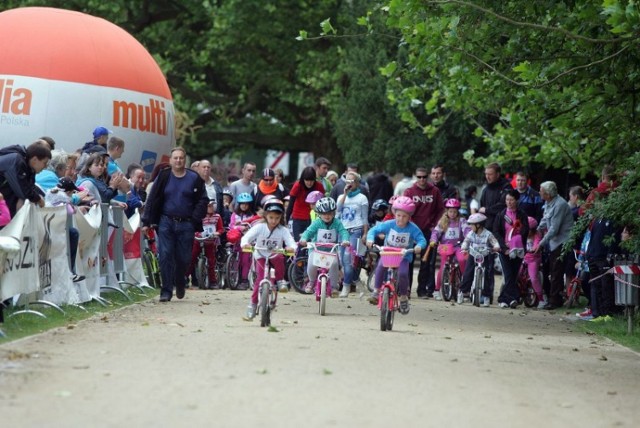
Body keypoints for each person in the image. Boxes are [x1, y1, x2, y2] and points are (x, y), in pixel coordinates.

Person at [141, 147, 209, 302]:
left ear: (185, 160)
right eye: (175, 158)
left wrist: (194, 219)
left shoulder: (194, 177)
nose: (178, 161)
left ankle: (180, 281)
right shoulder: (163, 176)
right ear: (170, 160)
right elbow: (152, 198)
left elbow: (202, 200)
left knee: (184, 258)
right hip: (166, 222)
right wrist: (146, 221)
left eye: (181, 158)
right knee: (165, 255)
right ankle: (166, 290)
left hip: (186, 224)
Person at [366, 196, 426, 314]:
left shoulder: (413, 228)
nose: (401, 219)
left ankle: (403, 297)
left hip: (403, 256)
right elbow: (373, 230)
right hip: (388, 254)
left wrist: (419, 246)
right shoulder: (389, 224)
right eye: (398, 215)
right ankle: (376, 291)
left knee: (403, 273)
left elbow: (422, 239)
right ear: (394, 213)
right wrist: (370, 239)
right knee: (380, 267)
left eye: (404, 216)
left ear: (409, 216)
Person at [241, 199, 296, 320]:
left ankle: (281, 280)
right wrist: (245, 244)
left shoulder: (283, 230)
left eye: (277, 218)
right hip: (260, 255)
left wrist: (291, 248)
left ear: (281, 217)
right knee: (260, 279)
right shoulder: (259, 227)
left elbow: (291, 242)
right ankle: (253, 304)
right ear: (265, 215)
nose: (274, 221)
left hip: (275, 255)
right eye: (271, 217)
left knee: (280, 257)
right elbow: (246, 237)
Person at [532, 181, 574, 310]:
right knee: (551, 270)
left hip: (562, 242)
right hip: (554, 242)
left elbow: (554, 229)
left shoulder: (560, 205)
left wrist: (540, 243)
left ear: (548, 194)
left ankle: (555, 300)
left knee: (556, 272)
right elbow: (545, 219)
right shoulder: (549, 203)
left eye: (542, 191)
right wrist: (536, 230)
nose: (539, 193)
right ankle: (555, 298)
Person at [403, 166, 444, 298]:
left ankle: (422, 290)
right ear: (415, 177)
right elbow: (404, 209)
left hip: (428, 231)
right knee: (408, 260)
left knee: (425, 262)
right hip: (411, 231)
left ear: (428, 177)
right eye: (419, 177)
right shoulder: (409, 191)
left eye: (424, 177)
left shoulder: (435, 191)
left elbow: (440, 210)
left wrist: (434, 225)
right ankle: (406, 289)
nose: (422, 179)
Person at [298, 197, 350, 296]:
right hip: (316, 249)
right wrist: (304, 238)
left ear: (333, 213)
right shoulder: (316, 223)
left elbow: (343, 231)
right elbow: (309, 232)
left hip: (331, 250)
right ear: (319, 214)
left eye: (330, 213)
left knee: (334, 264)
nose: (327, 216)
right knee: (312, 263)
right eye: (324, 213)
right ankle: (312, 282)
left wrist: (345, 240)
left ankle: (334, 287)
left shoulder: (337, 223)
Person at [44, 177, 90, 282]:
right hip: (55, 231)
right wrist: (73, 205)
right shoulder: (62, 197)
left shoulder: (51, 192)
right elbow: (70, 211)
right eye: (72, 192)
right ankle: (70, 270)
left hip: (49, 228)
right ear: (69, 191)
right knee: (73, 234)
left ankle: (69, 271)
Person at [492, 189, 529, 309]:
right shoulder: (501, 214)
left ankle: (509, 299)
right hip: (505, 250)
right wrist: (504, 246)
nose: (509, 202)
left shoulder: (522, 214)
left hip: (517, 249)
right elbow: (496, 231)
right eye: (507, 200)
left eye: (511, 200)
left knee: (514, 275)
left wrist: (516, 240)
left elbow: (525, 230)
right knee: (508, 275)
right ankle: (507, 298)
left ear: (517, 200)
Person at [336, 171, 369, 297]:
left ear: (357, 183)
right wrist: (345, 194)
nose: (349, 183)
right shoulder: (341, 196)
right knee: (343, 261)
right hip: (342, 231)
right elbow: (338, 210)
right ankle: (356, 280)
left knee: (348, 259)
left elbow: (365, 218)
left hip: (356, 230)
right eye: (347, 181)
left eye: (352, 181)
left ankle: (346, 286)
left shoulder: (362, 198)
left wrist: (365, 233)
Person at [429, 198, 469, 301]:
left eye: (455, 211)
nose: (452, 214)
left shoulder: (461, 220)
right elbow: (436, 232)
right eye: (450, 211)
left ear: (458, 212)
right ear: (447, 211)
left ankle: (465, 286)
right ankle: (437, 290)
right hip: (445, 246)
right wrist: (433, 240)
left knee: (462, 260)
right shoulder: (443, 221)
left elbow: (467, 231)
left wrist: (468, 238)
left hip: (458, 246)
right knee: (443, 266)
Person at [458, 213, 501, 306]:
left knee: (487, 275)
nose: (470, 226)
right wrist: (464, 248)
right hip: (473, 254)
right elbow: (466, 241)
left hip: (485, 255)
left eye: (472, 225)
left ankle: (486, 296)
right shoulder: (471, 233)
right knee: (467, 273)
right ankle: (462, 292)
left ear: (478, 225)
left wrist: (496, 247)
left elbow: (494, 242)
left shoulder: (488, 234)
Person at [0, 141, 51, 216]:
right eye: (45, 163)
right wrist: (38, 199)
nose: (45, 167)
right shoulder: (17, 161)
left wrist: (38, 197)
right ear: (35, 159)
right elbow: (23, 191)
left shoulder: (29, 166)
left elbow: (30, 187)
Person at [187, 199, 224, 289]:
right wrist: (195, 233)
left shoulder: (217, 217)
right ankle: (185, 278)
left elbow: (221, 229)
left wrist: (217, 233)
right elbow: (193, 226)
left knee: (211, 260)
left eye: (211, 206)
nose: (210, 208)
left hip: (210, 241)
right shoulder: (198, 216)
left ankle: (213, 281)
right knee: (192, 258)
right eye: (208, 206)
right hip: (199, 240)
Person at [228, 192, 259, 289]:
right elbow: (231, 225)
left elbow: (255, 225)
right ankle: (234, 278)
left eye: (246, 204)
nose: (244, 206)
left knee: (246, 260)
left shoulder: (252, 215)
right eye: (242, 204)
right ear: (239, 204)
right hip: (237, 239)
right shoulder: (234, 214)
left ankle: (244, 280)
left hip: (248, 241)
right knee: (237, 259)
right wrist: (239, 228)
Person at [286, 166, 325, 240]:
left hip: (313, 219)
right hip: (298, 218)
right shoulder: (297, 186)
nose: (309, 183)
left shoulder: (319, 186)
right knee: (300, 242)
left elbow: (323, 203)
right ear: (303, 179)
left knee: (311, 242)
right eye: (307, 180)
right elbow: (290, 204)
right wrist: (286, 221)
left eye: (311, 180)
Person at [523, 217, 545, 308]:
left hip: (533, 259)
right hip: (523, 257)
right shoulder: (521, 235)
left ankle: (541, 299)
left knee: (533, 278)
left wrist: (535, 248)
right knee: (515, 274)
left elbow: (537, 243)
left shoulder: (537, 235)